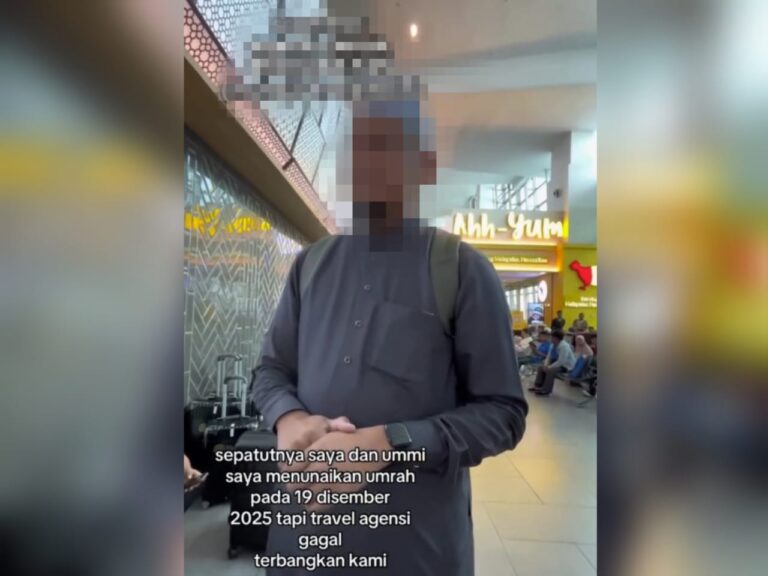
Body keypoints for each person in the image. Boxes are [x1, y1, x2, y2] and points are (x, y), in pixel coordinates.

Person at [252, 98, 528, 576]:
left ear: (424, 166)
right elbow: (271, 371)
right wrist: (290, 419)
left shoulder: (461, 270)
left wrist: (389, 442)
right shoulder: (309, 266)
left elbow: (503, 414)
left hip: (414, 552)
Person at [529, 329, 577, 396]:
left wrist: (549, 367)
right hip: (558, 363)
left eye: (552, 337)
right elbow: (548, 356)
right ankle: (537, 386)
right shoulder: (552, 345)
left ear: (556, 338)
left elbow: (561, 361)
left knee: (550, 371)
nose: (550, 338)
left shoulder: (564, 346)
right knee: (541, 368)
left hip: (566, 366)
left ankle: (546, 390)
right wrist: (545, 365)